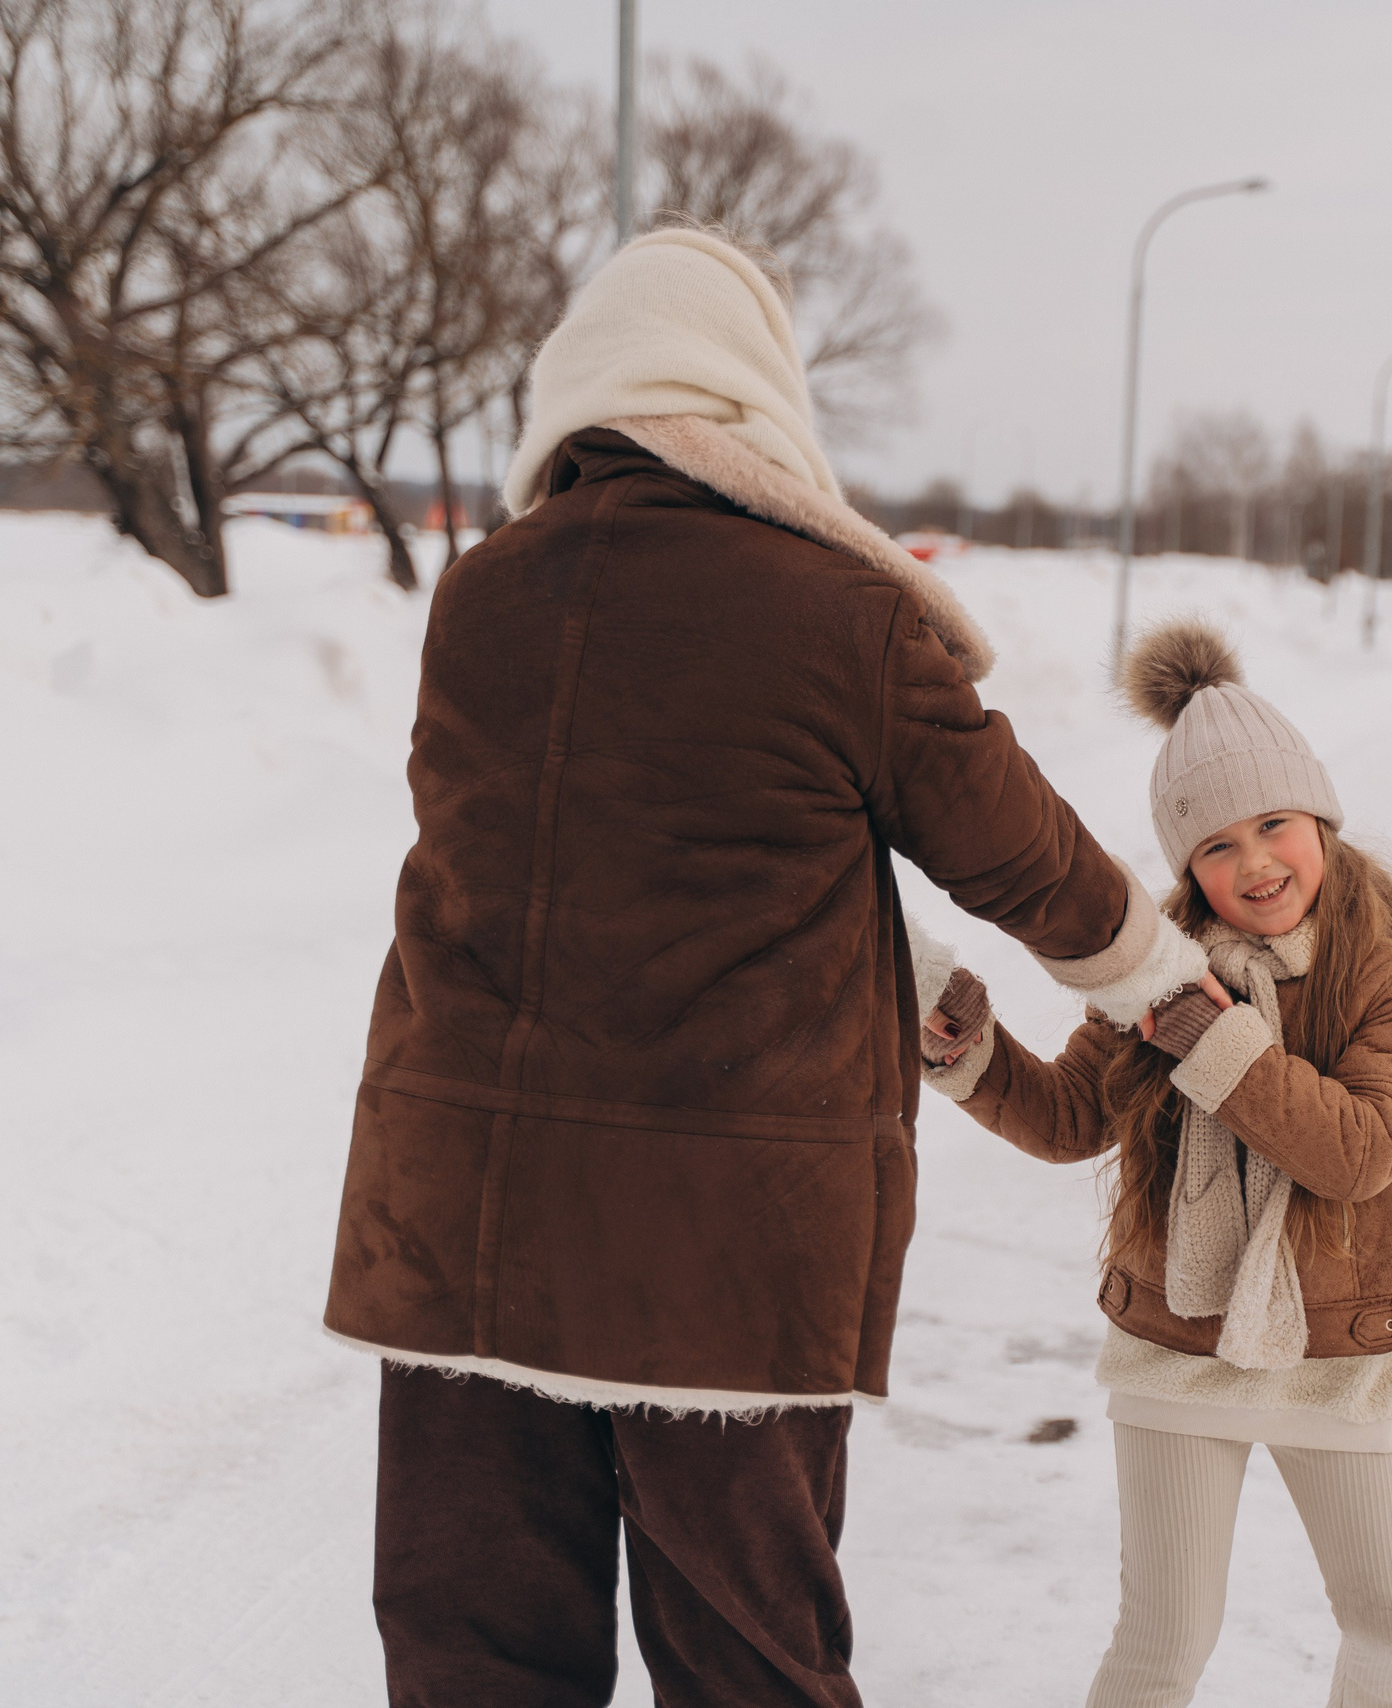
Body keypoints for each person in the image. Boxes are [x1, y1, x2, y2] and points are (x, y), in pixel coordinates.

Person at [320, 225, 1202, 1708]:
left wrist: (894, 965)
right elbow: (1025, 859)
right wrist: (1166, 986)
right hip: (726, 1252)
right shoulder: (838, 612)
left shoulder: (479, 595)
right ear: (750, 392)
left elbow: (604, 863)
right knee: (750, 1665)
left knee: (475, 1660)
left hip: (458, 1226)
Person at [921, 619, 1392, 1708]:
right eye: (1216, 845)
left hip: (1334, 1342)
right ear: (1186, 864)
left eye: (1274, 825)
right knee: (1165, 1639)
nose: (1254, 862)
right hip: (1179, 1339)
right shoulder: (1152, 971)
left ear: (1319, 819)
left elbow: (1353, 1152)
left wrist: (1207, 1036)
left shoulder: (1390, 979)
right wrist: (968, 1052)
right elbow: (1072, 1114)